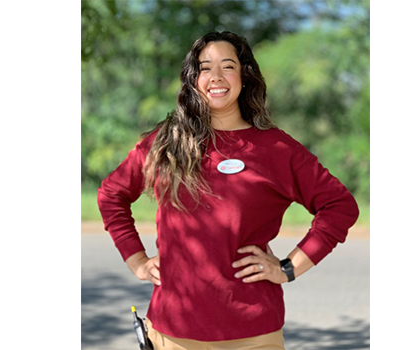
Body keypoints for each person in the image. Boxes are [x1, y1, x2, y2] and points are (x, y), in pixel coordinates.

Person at [97, 31, 359, 350]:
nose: (216, 77)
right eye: (205, 67)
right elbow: (111, 195)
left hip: (255, 335)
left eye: (228, 66)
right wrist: (136, 260)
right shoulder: (165, 143)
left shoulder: (278, 149)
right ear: (194, 80)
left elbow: (340, 206)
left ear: (245, 76)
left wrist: (288, 268)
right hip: (173, 333)